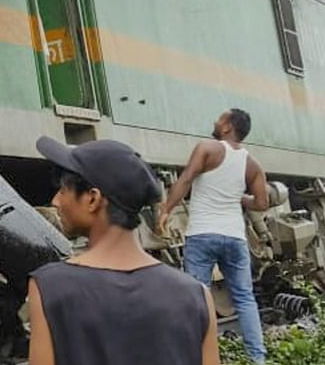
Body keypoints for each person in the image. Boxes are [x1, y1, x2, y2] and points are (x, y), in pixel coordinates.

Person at [30, 137, 219, 365]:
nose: (55, 201)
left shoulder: (50, 287)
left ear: (93, 199)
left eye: (63, 190)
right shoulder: (197, 296)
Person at [157, 109, 268, 363]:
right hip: (235, 238)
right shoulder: (253, 164)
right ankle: (257, 358)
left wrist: (166, 210)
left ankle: (199, 356)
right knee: (244, 297)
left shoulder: (207, 148)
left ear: (228, 127)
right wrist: (239, 197)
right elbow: (262, 203)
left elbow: (185, 180)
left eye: (220, 119)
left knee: (198, 297)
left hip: (203, 234)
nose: (215, 122)